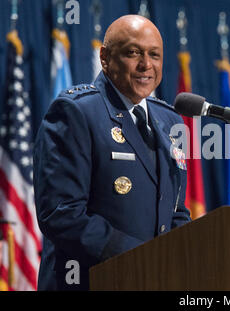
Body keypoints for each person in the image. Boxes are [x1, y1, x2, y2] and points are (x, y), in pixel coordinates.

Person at [33, 15, 191, 291]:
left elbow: (175, 212)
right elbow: (62, 215)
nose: (146, 65)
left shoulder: (171, 123)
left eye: (155, 55)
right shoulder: (77, 112)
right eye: (133, 53)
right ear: (104, 58)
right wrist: (140, 257)